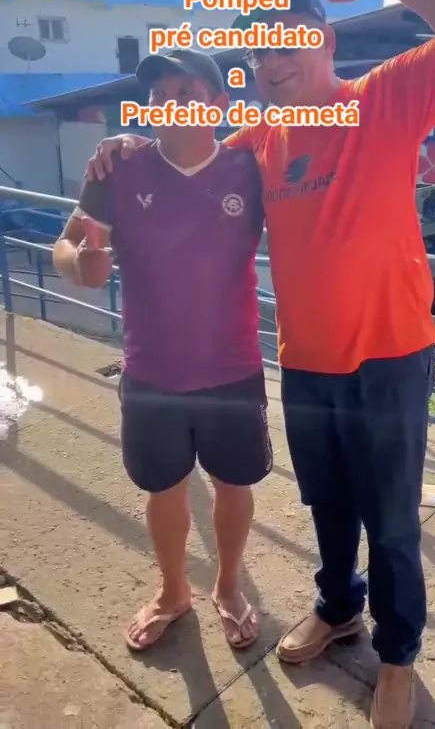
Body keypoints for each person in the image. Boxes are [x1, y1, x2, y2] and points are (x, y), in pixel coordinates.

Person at [85, 0, 435, 728]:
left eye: (286, 41)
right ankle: (338, 609)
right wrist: (124, 146)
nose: (270, 62)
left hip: (392, 357)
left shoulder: (382, 98)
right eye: (258, 52)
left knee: (392, 519)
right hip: (305, 362)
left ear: (323, 39)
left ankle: (397, 655)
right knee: (326, 503)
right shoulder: (258, 139)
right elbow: (186, 150)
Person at [53, 48, 273, 653]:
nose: (168, 104)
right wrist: (81, 264)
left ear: (218, 104)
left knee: (234, 484)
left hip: (234, 367)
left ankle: (228, 586)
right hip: (151, 371)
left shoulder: (249, 167)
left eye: (186, 93)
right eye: (157, 95)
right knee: (164, 488)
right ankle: (174, 591)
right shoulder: (118, 169)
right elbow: (66, 245)